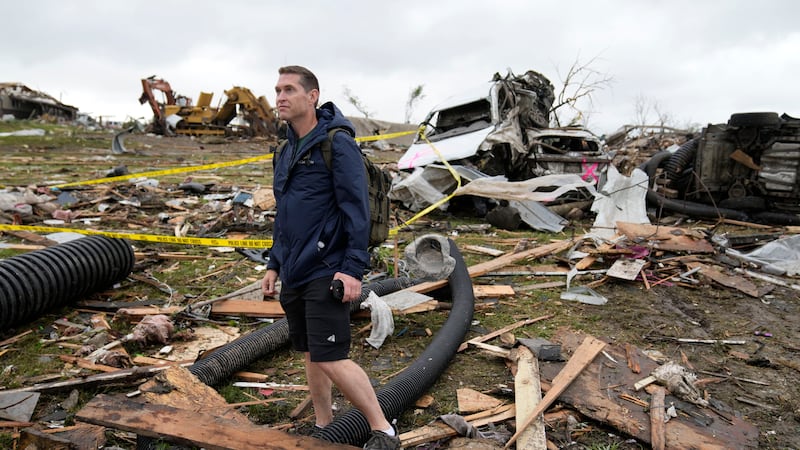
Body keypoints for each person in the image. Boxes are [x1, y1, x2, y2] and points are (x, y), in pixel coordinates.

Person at [262, 65, 400, 450]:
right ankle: (325, 423)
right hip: (295, 269)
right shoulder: (285, 150)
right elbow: (285, 213)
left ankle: (383, 430)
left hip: (327, 267)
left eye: (289, 89)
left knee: (330, 356)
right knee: (311, 352)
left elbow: (356, 211)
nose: (281, 97)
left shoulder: (336, 143)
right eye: (277, 90)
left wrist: (352, 269)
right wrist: (274, 262)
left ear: (313, 96)